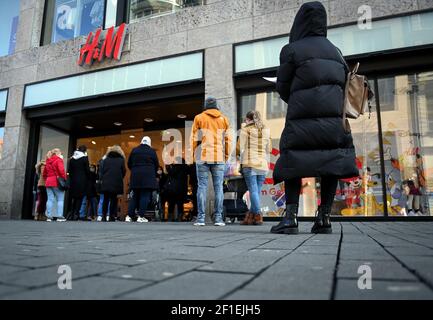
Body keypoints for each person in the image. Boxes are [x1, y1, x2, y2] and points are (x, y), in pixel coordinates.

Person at [272, 2, 359, 235]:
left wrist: (300, 99)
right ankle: (324, 218)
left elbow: (282, 87)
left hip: (301, 119)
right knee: (331, 162)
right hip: (333, 122)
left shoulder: (291, 50)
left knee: (293, 161)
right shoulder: (336, 52)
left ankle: (290, 218)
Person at [190, 96, 232, 226]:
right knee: (218, 187)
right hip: (218, 156)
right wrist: (225, 156)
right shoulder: (224, 119)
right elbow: (228, 140)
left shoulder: (199, 118)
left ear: (205, 106)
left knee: (201, 186)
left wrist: (193, 155)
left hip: (202, 156)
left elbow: (193, 138)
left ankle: (201, 218)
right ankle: (218, 218)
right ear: (216, 106)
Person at [237, 111, 272, 226]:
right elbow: (269, 149)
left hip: (250, 163)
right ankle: (250, 217)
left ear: (248, 119)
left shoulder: (246, 129)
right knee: (256, 191)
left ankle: (257, 214)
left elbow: (239, 148)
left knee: (253, 190)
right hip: (262, 164)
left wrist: (235, 156)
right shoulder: (265, 130)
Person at [126, 136, 159, 223]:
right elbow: (156, 165)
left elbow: (129, 163)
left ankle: (129, 216)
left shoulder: (134, 150)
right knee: (145, 196)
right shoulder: (152, 151)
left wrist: (134, 170)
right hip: (148, 177)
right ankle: (140, 216)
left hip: (135, 176)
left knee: (135, 196)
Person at [99, 145, 126, 222]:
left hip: (106, 181)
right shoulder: (121, 160)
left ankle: (104, 217)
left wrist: (103, 178)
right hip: (116, 181)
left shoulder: (106, 159)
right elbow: (124, 171)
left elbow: (102, 170)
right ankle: (111, 216)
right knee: (114, 199)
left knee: (105, 199)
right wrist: (119, 177)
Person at [43, 148, 67, 222]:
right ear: (58, 153)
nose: (61, 154)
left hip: (48, 182)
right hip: (56, 182)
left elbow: (44, 174)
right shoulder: (59, 160)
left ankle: (49, 217)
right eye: (60, 153)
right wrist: (64, 178)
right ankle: (60, 216)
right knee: (60, 199)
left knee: (50, 199)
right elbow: (61, 171)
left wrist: (47, 180)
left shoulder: (48, 161)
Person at [68, 145, 90, 221]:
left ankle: (71, 213)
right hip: (82, 180)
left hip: (73, 180)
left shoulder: (72, 159)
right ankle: (76, 214)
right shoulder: (84, 158)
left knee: (74, 197)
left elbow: (69, 171)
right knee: (80, 198)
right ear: (84, 151)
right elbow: (87, 170)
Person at [165, 157, 188, 222]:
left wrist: (169, 166)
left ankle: (170, 218)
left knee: (171, 204)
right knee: (180, 204)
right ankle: (179, 218)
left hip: (173, 189)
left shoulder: (175, 168)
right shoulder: (185, 168)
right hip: (182, 189)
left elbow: (170, 173)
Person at [34, 151, 52, 221]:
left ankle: (42, 214)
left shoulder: (47, 163)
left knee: (44, 200)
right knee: (41, 200)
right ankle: (38, 214)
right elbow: (44, 174)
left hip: (45, 184)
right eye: (50, 155)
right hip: (42, 184)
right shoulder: (44, 164)